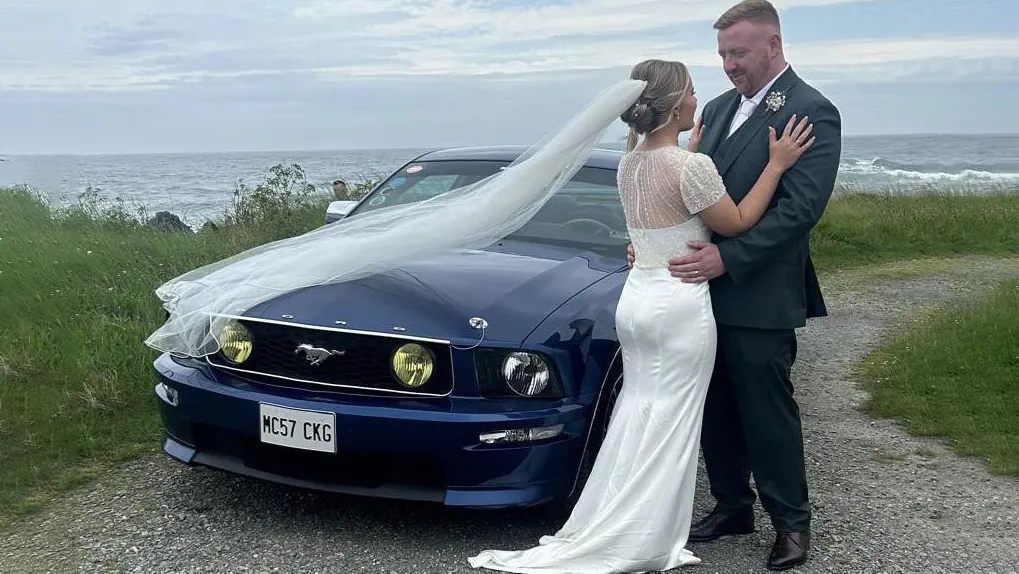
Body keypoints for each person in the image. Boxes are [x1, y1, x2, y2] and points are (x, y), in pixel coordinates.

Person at [467, 59, 814, 574]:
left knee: (639, 410)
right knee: (673, 420)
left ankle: (617, 516)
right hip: (678, 304)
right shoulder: (690, 168)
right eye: (692, 92)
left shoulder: (629, 161)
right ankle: (645, 534)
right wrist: (776, 166)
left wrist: (689, 151)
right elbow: (737, 221)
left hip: (636, 301)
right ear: (676, 106)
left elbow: (663, 209)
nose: (700, 98)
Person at [649, 1, 843, 571]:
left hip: (759, 291)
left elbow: (798, 212)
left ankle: (792, 523)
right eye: (723, 55)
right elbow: (691, 192)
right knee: (715, 406)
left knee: (766, 411)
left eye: (739, 52)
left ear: (774, 45)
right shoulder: (715, 107)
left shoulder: (811, 110)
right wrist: (660, 244)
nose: (729, 65)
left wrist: (727, 260)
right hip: (699, 290)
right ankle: (733, 505)